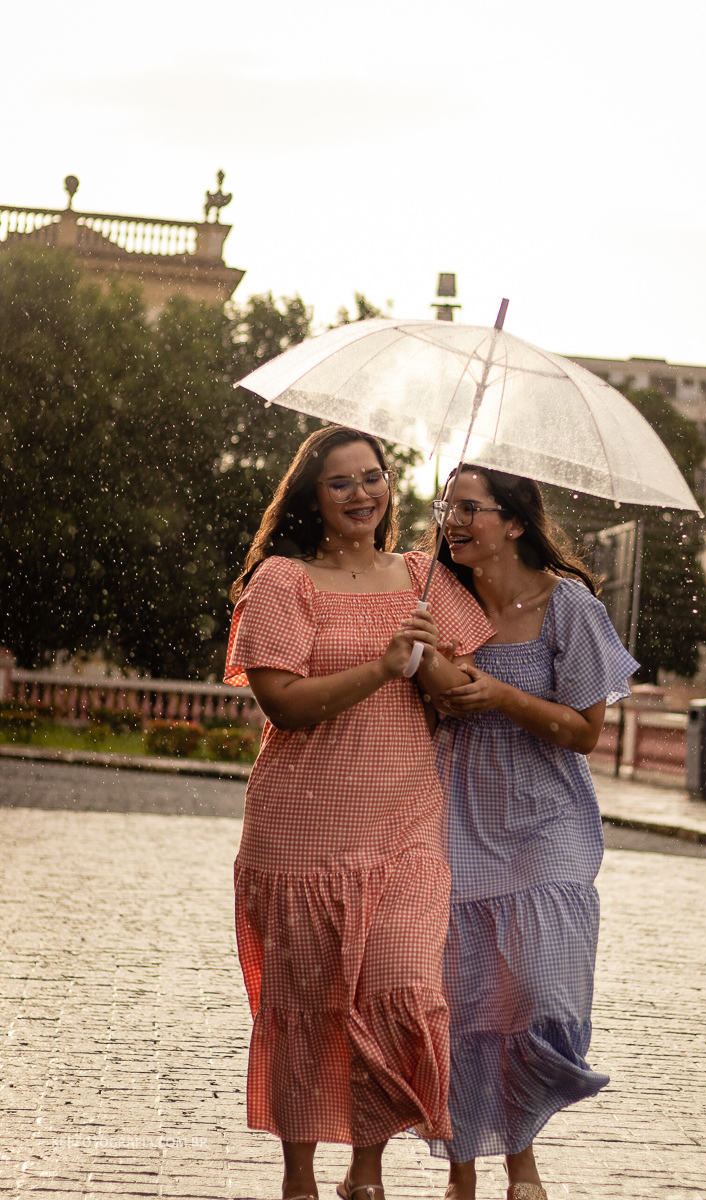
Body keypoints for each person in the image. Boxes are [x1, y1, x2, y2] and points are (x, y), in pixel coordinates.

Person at [224, 427, 494, 1200]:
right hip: (302, 829)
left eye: (371, 477)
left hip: (404, 822)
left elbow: (461, 691)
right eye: (339, 482)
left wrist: (425, 658)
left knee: (403, 990)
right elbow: (283, 702)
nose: (360, 495)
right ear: (312, 496)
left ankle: (366, 1169)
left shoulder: (422, 576)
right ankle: (303, 1179)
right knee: (309, 1006)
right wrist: (381, 666)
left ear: (389, 485)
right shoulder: (284, 581)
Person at [422, 467, 639, 1200]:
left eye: (469, 507)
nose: (453, 519)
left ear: (514, 522)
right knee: (464, 997)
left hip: (547, 822)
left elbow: (583, 732)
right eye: (446, 505)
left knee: (541, 996)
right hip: (456, 814)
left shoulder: (567, 605)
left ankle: (522, 1149)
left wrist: (504, 695)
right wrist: (432, 677)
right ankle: (469, 1176)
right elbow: (423, 704)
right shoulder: (434, 598)